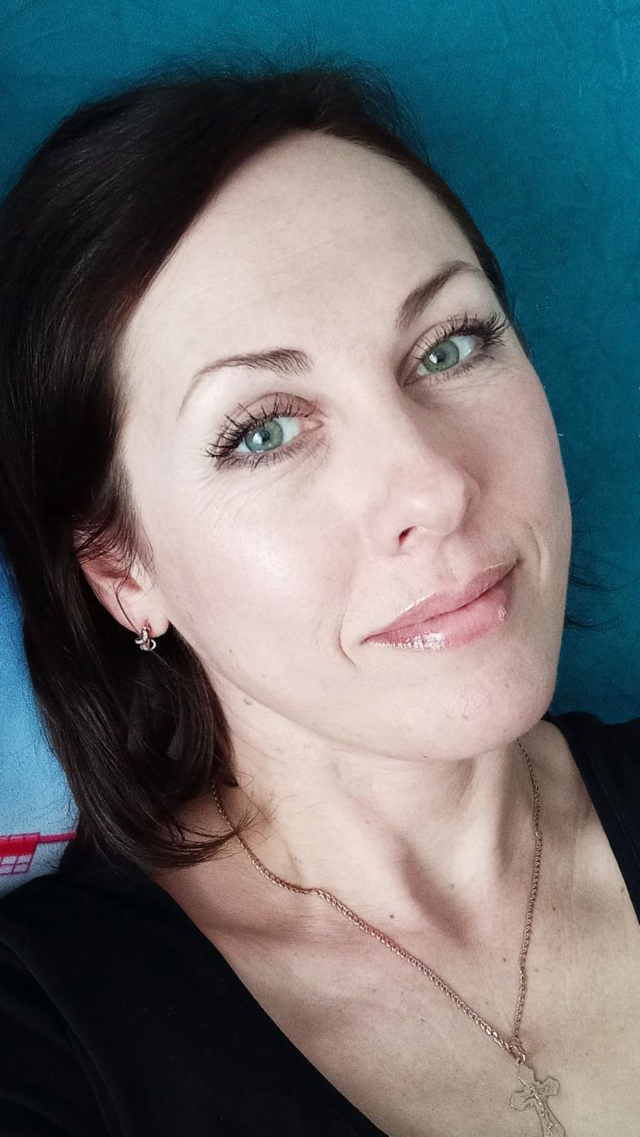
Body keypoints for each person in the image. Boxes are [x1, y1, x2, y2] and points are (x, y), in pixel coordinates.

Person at [0, 52, 638, 1137]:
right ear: (122, 571)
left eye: (451, 346)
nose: (435, 486)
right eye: (263, 432)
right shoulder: (42, 1039)